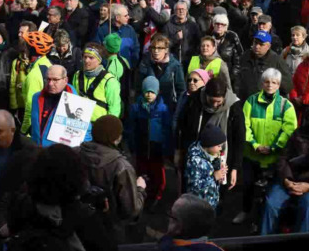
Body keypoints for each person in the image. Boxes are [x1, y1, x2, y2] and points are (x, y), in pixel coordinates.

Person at [262, 103, 309, 235]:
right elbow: (283, 158)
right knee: (271, 203)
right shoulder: (299, 133)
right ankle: (264, 242)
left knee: (308, 207)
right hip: (290, 179)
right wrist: (287, 180)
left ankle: (300, 249)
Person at [237, 68, 298, 226]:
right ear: (262, 83)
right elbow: (244, 125)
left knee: (269, 191)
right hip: (252, 154)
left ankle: (261, 220)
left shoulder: (286, 105)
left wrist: (274, 147)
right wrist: (255, 145)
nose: (270, 85)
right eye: (267, 82)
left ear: (279, 85)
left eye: (274, 82)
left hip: (274, 157)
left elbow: (289, 130)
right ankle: (245, 211)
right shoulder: (251, 101)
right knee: (248, 185)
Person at [77, 116, 146, 240]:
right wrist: (140, 189)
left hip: (79, 226)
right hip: (110, 231)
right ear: (117, 138)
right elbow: (131, 209)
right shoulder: (121, 166)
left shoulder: (76, 153)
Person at [127, 76, 174, 207]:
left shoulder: (163, 109)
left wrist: (167, 149)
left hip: (156, 149)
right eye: (146, 91)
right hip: (141, 147)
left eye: (152, 91)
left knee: (158, 174)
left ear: (157, 92)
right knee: (142, 172)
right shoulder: (136, 108)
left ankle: (157, 196)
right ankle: (143, 195)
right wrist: (132, 145)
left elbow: (167, 130)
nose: (149, 94)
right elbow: (131, 128)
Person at [237, 30, 292, 101]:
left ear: (268, 46)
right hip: (245, 102)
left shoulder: (276, 60)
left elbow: (287, 86)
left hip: (267, 103)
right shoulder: (245, 56)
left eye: (261, 44)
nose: (257, 46)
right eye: (255, 43)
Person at [135, 33, 185, 111]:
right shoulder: (145, 63)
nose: (156, 51)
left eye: (160, 48)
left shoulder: (175, 66)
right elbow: (138, 87)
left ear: (166, 50)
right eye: (153, 48)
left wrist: (178, 110)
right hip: (148, 108)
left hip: (168, 108)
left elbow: (181, 90)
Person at [16, 31, 55, 133]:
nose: (24, 49)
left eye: (26, 47)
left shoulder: (34, 74)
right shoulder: (48, 63)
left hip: (35, 129)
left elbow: (31, 107)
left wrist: (24, 131)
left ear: (31, 50)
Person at [72, 43, 122, 122]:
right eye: (85, 57)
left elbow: (114, 108)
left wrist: (109, 126)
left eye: (91, 58)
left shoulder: (109, 80)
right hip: (79, 122)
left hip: (99, 124)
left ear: (99, 60)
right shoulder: (77, 75)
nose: (86, 60)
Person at [184, 125, 230, 210]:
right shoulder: (195, 161)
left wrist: (219, 171)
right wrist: (214, 177)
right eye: (219, 146)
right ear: (209, 145)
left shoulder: (211, 155)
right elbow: (195, 187)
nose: (221, 148)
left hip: (209, 203)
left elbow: (209, 173)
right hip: (198, 207)